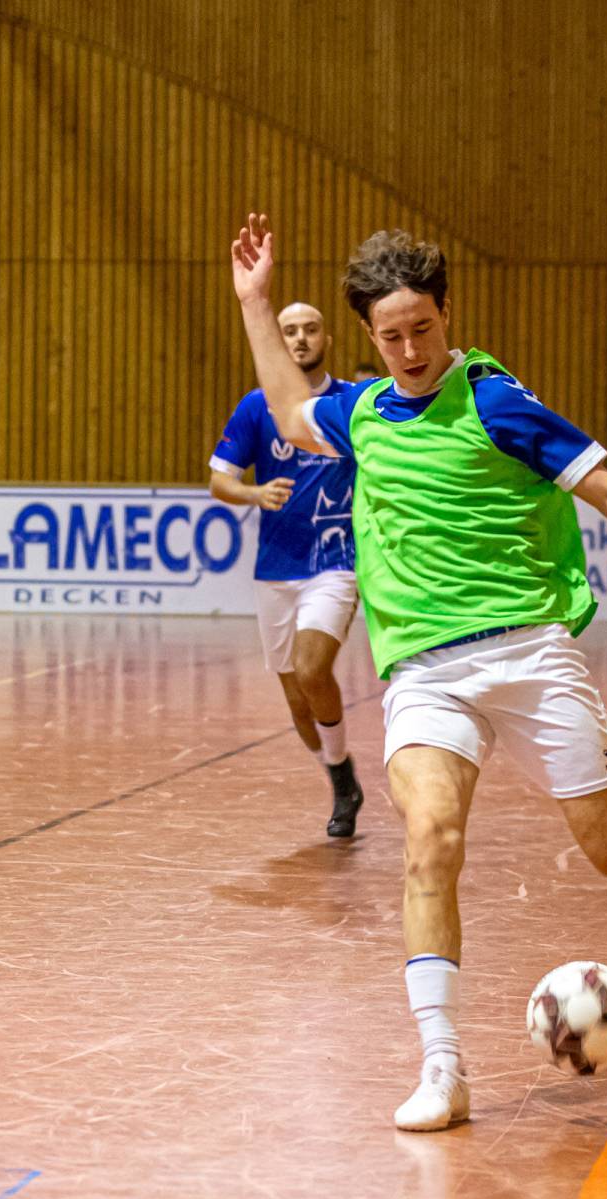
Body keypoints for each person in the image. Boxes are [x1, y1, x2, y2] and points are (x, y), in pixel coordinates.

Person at [229, 215, 607, 1132]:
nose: (411, 350)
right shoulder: (360, 414)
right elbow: (287, 408)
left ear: (447, 314)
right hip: (425, 673)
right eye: (392, 335)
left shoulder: (496, 402)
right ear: (370, 336)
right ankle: (443, 1067)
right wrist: (255, 304)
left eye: (423, 328)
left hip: (529, 654)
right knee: (431, 838)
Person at [209, 301, 364, 838]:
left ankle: (341, 780)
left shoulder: (351, 403)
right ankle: (340, 775)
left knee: (311, 668)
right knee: (298, 703)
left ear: (328, 338)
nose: (300, 338)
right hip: (276, 566)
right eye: (289, 331)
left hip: (337, 561)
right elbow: (219, 480)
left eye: (310, 329)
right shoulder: (256, 407)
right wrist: (254, 493)